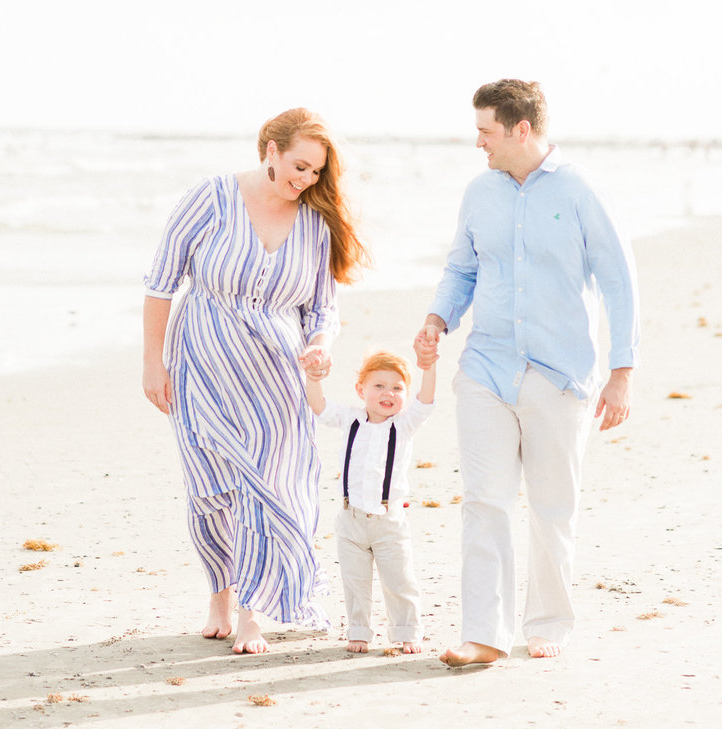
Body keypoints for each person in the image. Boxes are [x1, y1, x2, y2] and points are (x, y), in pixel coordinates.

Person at [414, 78, 639, 666]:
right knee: (484, 501)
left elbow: (620, 284)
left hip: (558, 373)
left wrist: (622, 370)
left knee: (550, 506)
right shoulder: (478, 194)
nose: (479, 144)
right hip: (486, 366)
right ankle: (484, 634)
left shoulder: (583, 191)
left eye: (486, 131)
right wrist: (439, 319)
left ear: (521, 129)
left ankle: (547, 624)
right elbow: (461, 268)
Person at [142, 107, 368, 655]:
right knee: (215, 490)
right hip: (203, 368)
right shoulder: (211, 198)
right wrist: (153, 362)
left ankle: (252, 613)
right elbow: (160, 283)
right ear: (270, 148)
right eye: (299, 166)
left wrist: (320, 345)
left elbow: (323, 308)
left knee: (276, 489)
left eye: (316, 172)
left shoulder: (316, 222)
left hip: (277, 378)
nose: (306, 180)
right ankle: (219, 593)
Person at [299, 347, 437, 655]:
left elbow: (426, 403)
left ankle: (406, 631)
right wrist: (312, 376)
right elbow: (318, 406)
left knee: (399, 580)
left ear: (406, 395)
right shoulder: (351, 419)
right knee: (355, 581)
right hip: (351, 519)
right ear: (361, 389)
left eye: (397, 388)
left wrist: (429, 367)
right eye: (379, 386)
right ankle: (359, 631)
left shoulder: (404, 425)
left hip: (389, 522)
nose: (388, 393)